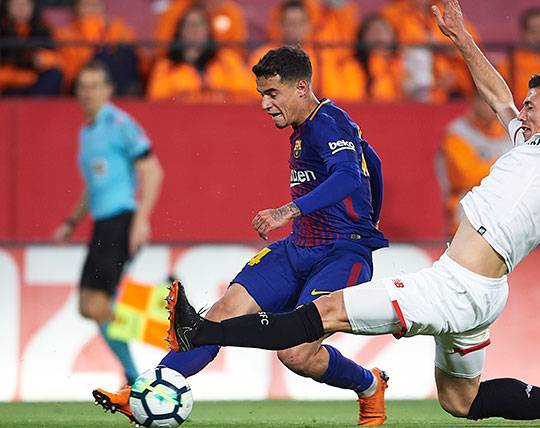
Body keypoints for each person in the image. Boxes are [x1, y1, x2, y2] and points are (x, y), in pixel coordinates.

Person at [165, 0, 540, 425]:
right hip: (483, 295)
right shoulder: (529, 138)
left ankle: (207, 331)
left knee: (323, 314)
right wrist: (460, 34)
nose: (520, 108)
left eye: (533, 103)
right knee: (462, 400)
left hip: (453, 287)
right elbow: (496, 90)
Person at [95, 46, 391, 427]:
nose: (265, 105)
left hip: (340, 255)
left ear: (301, 88)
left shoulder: (328, 121)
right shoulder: (307, 128)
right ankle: (145, 391)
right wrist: (371, 215)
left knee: (296, 353)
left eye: (272, 94)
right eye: (261, 95)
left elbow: (350, 176)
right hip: (297, 248)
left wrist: (292, 212)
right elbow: (374, 163)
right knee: (218, 315)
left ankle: (369, 386)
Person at [52, 61, 164, 386]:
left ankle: (136, 378)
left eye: (94, 86)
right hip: (103, 224)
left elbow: (153, 170)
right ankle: (162, 314)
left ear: (108, 90)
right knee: (89, 305)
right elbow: (95, 184)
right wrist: (71, 221)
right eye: (82, 86)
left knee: (98, 302)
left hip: (121, 220)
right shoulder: (87, 131)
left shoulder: (119, 123)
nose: (88, 93)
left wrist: (141, 221)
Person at [147, 6, 255, 102]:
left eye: (199, 24)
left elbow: (247, 95)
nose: (194, 29)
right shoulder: (166, 66)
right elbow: (157, 100)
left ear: (208, 29)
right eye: (189, 25)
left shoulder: (227, 60)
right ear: (180, 31)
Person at [437, 94, 509, 237]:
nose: (488, 105)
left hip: (503, 208)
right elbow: (467, 177)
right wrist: (505, 164)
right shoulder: (457, 133)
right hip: (467, 206)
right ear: (474, 100)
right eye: (483, 99)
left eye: (492, 100)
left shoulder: (510, 130)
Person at [54, 0, 141, 95]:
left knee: (124, 52)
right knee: (102, 57)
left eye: (95, 5)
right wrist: (91, 25)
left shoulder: (113, 26)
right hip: (78, 80)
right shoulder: (65, 32)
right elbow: (76, 62)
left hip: (111, 77)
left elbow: (131, 47)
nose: (91, 10)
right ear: (76, 8)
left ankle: (125, 94)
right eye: (86, 5)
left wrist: (107, 30)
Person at [0, 0, 62, 95]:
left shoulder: (42, 28)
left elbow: (55, 57)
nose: (21, 8)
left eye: (26, 4)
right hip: (8, 84)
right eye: (16, 4)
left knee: (53, 74)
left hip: (35, 81)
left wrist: (43, 58)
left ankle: (41, 107)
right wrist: (19, 77)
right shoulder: (3, 30)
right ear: (7, 7)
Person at [154, 0, 248, 59]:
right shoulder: (175, 10)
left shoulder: (229, 12)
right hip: (180, 66)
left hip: (218, 70)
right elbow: (161, 50)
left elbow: (238, 54)